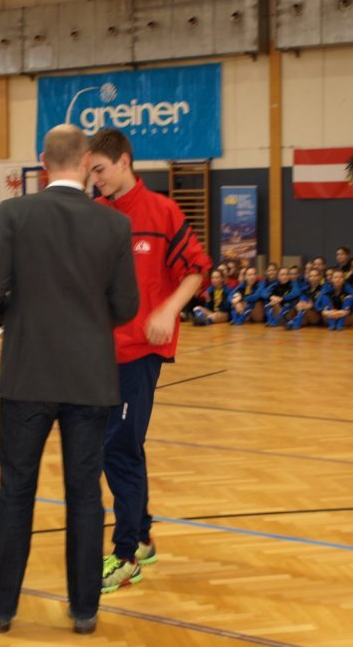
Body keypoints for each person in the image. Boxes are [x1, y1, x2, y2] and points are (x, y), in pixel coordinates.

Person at [0, 124, 139, 635]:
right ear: (87, 162)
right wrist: (88, 325)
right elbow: (126, 305)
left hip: (27, 374)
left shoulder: (15, 214)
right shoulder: (113, 224)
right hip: (89, 379)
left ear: (43, 162)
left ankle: (1, 607)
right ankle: (85, 608)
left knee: (16, 491)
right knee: (85, 494)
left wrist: (18, 320)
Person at [88, 128, 210, 593]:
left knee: (117, 448)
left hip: (140, 352)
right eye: (90, 172)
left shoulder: (162, 211)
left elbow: (196, 270)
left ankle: (125, 557)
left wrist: (167, 310)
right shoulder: (96, 215)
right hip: (101, 352)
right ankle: (141, 537)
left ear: (124, 162)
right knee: (123, 445)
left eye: (100, 170)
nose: (96, 179)